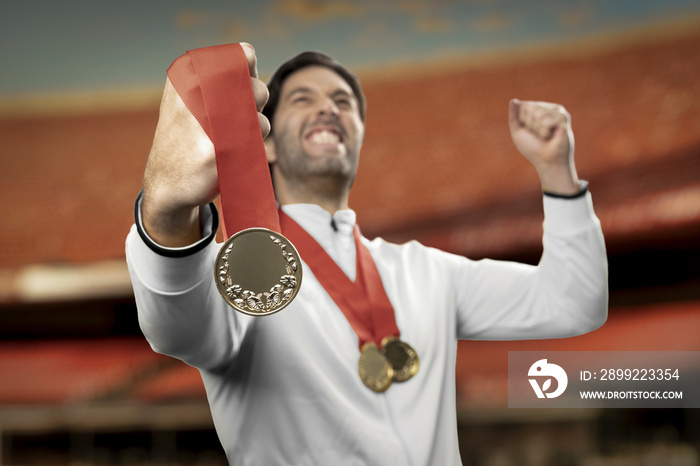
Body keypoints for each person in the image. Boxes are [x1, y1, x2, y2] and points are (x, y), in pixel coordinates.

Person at [126, 43, 608, 465]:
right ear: (264, 145)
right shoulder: (248, 274)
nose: (328, 110)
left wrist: (557, 173)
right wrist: (165, 213)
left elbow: (572, 304)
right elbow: (178, 327)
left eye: (343, 102)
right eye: (302, 99)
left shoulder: (428, 271)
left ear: (357, 135)